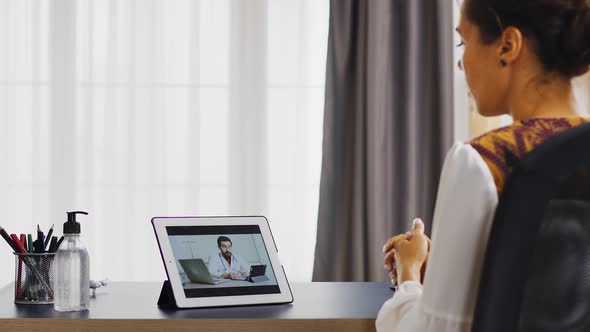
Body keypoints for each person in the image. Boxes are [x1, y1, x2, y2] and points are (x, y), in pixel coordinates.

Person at [376, 0, 590, 331]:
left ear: (508, 45)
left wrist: (409, 274)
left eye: (464, 41)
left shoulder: (480, 162)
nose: (461, 64)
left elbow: (436, 330)